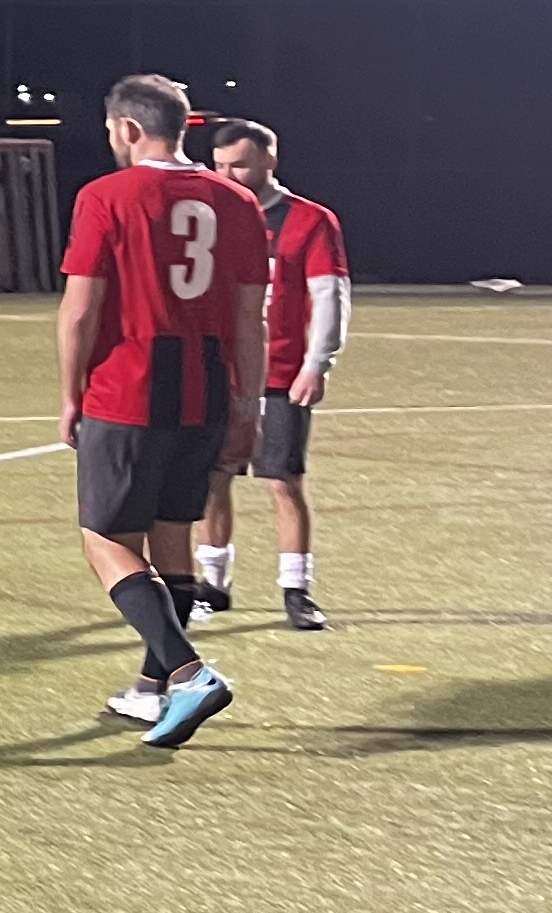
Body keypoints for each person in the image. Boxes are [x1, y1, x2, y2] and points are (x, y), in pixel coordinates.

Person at [60, 73, 267, 747]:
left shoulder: (106, 195)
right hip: (206, 386)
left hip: (131, 385)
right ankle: (151, 691)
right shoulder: (238, 200)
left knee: (106, 541)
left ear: (127, 127)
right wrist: (247, 406)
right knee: (172, 536)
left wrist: (70, 394)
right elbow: (250, 319)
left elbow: (81, 309)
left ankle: (188, 673)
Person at [195, 118, 344, 633]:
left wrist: (317, 363)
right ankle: (212, 586)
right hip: (220, 370)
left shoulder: (310, 220)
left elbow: (330, 296)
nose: (227, 176)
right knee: (212, 479)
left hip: (279, 374)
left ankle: (297, 591)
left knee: (282, 482)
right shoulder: (208, 218)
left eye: (239, 165)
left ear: (269, 160)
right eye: (219, 166)